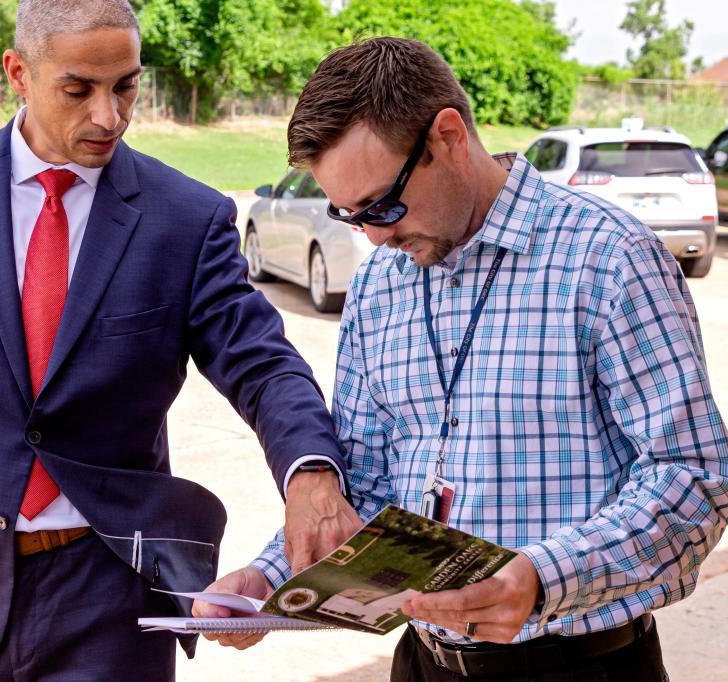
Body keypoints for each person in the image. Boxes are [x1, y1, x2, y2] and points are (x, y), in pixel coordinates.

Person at [0, 1, 361, 679]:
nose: (109, 115)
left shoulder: (188, 219)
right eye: (79, 90)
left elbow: (266, 367)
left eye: (126, 85)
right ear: (18, 72)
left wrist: (310, 470)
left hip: (112, 595)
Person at [196, 37, 728, 681]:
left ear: (448, 135)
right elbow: (363, 481)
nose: (375, 236)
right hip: (422, 662)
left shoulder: (608, 258)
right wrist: (271, 578)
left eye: (383, 206)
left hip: (579, 665)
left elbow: (695, 479)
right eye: (350, 214)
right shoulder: (377, 284)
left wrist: (541, 579)